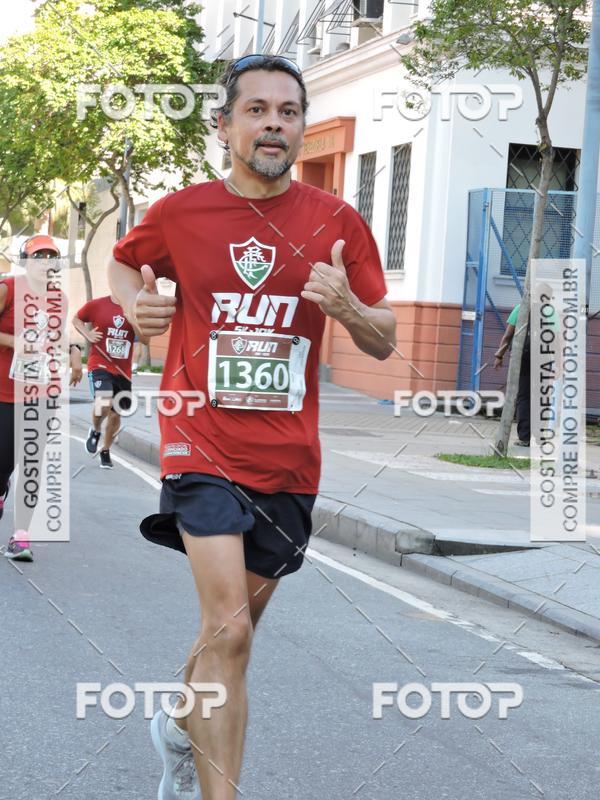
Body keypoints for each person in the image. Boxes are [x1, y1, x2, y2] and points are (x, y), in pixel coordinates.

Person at [108, 54, 396, 800]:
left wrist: (348, 308)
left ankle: (178, 723)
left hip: (290, 461)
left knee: (229, 635)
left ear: (300, 127)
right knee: (230, 630)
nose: (274, 123)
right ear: (225, 124)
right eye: (258, 109)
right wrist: (138, 312)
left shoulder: (338, 222)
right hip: (197, 438)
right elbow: (124, 264)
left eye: (288, 111)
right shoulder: (183, 212)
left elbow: (385, 337)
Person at [0, 234, 82, 562]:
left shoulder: (58, 298)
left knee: (31, 462)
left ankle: (21, 536)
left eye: (51, 257)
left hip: (42, 391)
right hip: (4, 393)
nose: (45, 262)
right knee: (3, 462)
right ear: (25, 260)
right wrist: (12, 341)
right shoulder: (7, 288)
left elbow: (55, 335)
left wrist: (75, 352)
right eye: (38, 256)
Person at [72, 295, 138, 469]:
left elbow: (144, 339)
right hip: (99, 363)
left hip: (123, 371)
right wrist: (87, 333)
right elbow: (76, 319)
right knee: (104, 401)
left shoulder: (134, 307)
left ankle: (106, 449)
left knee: (116, 415)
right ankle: (95, 429)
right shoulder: (97, 305)